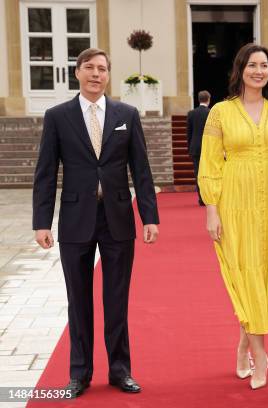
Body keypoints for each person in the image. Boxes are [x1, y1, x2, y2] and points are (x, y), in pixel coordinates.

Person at [32, 48, 160, 398]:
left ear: (108, 75)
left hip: (118, 218)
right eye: (89, 68)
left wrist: (149, 216)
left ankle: (120, 371)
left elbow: (142, 170)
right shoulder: (57, 116)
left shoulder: (126, 114)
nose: (96, 74)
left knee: (117, 299)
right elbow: (45, 173)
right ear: (77, 73)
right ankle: (79, 373)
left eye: (102, 69)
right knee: (79, 300)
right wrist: (42, 222)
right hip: (75, 220)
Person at [198, 43, 268, 390]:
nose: (258, 71)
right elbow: (210, 165)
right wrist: (211, 211)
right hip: (235, 205)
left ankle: (245, 343)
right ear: (240, 69)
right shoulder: (220, 113)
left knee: (266, 275)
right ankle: (260, 355)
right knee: (244, 278)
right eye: (252, 65)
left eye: (264, 66)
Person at [186, 90, 211, 206]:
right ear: (208, 99)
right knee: (209, 173)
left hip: (195, 147)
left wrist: (189, 148)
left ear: (199, 99)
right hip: (208, 147)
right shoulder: (211, 113)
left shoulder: (191, 113)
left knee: (198, 173)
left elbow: (188, 133)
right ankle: (209, 197)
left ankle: (201, 198)